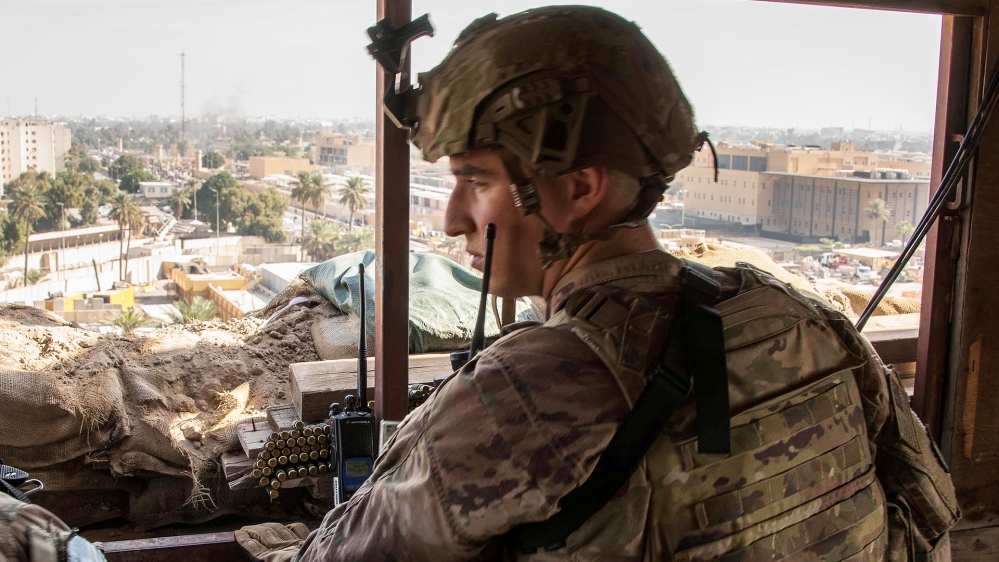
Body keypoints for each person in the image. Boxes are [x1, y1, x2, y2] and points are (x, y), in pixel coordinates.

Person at [239, 6, 957, 561]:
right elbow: (928, 515)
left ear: (579, 188)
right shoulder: (805, 319)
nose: (454, 219)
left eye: (476, 181)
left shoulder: (524, 391)